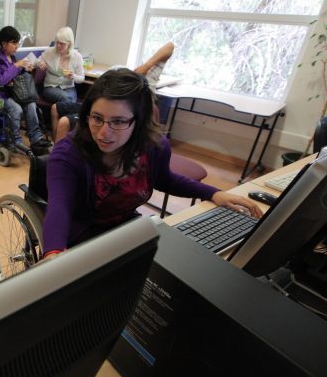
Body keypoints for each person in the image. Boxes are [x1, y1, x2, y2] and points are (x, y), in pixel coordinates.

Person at [41, 68, 262, 260]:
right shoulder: (67, 154)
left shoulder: (154, 146)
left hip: (125, 228)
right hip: (84, 236)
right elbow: (60, 206)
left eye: (118, 121)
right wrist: (53, 252)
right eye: (97, 118)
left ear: (139, 122)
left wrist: (213, 193)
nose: (103, 132)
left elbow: (166, 180)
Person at [53, 42, 175, 142]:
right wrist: (143, 68)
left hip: (111, 112)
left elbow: (170, 46)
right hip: (100, 107)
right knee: (56, 109)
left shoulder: (148, 82)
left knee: (65, 122)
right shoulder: (122, 74)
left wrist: (144, 68)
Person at [0, 26, 52, 155]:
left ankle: (36, 139)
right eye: (14, 43)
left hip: (11, 93)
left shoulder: (12, 58)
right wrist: (16, 66)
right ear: (4, 43)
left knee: (31, 104)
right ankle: (14, 140)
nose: (17, 46)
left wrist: (25, 69)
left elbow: (14, 76)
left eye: (17, 43)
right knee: (16, 109)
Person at [36, 26, 84, 137]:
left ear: (69, 43)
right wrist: (40, 63)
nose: (58, 46)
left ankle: (59, 136)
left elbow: (81, 78)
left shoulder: (77, 57)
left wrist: (73, 76)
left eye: (62, 43)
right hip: (51, 87)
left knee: (68, 104)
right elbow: (36, 60)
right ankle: (64, 136)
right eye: (57, 42)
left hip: (69, 87)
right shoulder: (50, 52)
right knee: (68, 101)